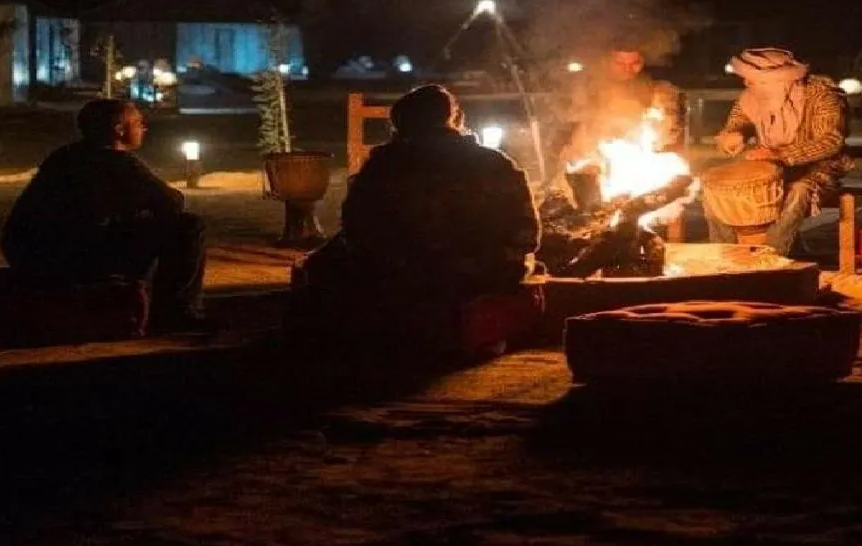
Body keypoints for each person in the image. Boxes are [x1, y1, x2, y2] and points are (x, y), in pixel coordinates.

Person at [291, 84, 541, 345]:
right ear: (454, 118)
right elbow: (527, 236)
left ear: (400, 125)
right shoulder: (494, 162)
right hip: (482, 271)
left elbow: (357, 228)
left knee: (319, 265)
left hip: (399, 272)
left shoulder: (382, 167)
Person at [0, 98, 212, 332]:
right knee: (188, 226)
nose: (144, 128)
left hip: (29, 254)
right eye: (138, 122)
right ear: (119, 130)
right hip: (70, 259)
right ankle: (177, 311)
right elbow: (172, 202)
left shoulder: (65, 155)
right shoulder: (118, 162)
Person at [706, 48, 852, 256]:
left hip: (817, 169)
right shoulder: (751, 97)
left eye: (753, 80)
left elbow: (831, 141)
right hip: (769, 167)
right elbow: (736, 124)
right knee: (714, 189)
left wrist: (781, 154)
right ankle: (724, 255)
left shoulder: (822, 96)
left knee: (798, 190)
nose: (746, 84)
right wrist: (733, 135)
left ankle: (772, 256)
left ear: (775, 81)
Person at [562, 45, 682, 162]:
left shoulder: (655, 90)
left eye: (635, 63)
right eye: (620, 63)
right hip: (595, 158)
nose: (628, 69)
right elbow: (578, 127)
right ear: (606, 61)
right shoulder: (589, 89)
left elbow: (667, 129)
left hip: (637, 159)